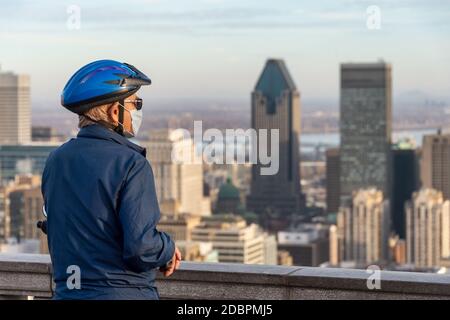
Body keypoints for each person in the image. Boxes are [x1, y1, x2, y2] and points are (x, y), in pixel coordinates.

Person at [41, 60, 181, 300]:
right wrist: (168, 248)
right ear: (114, 111)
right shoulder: (131, 164)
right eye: (136, 103)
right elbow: (141, 249)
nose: (138, 110)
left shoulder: (56, 160)